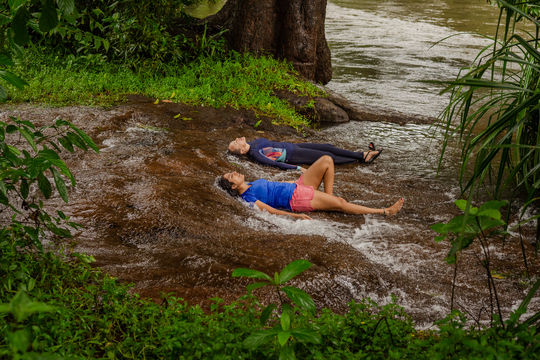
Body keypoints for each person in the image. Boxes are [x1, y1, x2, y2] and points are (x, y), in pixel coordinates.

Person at [219, 155, 403, 220]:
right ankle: (385, 211)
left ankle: (328, 201)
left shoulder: (250, 183)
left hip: (297, 186)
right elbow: (270, 211)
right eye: (231, 176)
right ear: (234, 186)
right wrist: (294, 216)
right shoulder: (247, 198)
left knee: (326, 160)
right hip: (295, 198)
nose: (234, 172)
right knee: (340, 202)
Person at [228, 137, 382, 171]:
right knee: (328, 157)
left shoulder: (253, 143)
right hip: (294, 155)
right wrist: (297, 168)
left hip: (294, 146)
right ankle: (362, 157)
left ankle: (362, 155)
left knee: (327, 146)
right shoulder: (255, 152)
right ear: (242, 150)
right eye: (235, 142)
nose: (236, 139)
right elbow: (273, 163)